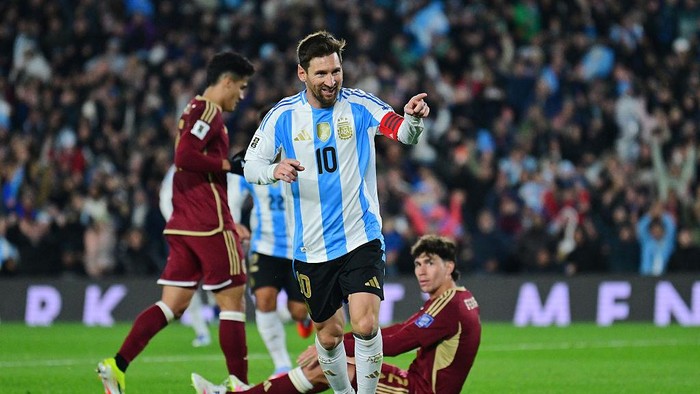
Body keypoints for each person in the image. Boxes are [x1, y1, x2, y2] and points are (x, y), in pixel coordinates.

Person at [243, 30, 430, 394]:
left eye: (336, 71)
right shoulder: (283, 116)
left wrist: (414, 120)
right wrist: (273, 171)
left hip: (360, 235)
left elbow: (401, 132)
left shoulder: (359, 105)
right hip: (312, 248)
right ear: (303, 74)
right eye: (322, 74)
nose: (331, 81)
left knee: (364, 324)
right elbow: (252, 163)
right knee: (328, 338)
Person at [97, 50, 255, 394]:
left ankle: (116, 366)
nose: (241, 96)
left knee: (173, 304)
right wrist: (229, 166)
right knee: (233, 301)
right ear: (226, 81)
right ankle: (239, 385)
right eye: (240, 88)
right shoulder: (210, 111)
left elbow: (186, 154)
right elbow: (184, 155)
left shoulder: (192, 108)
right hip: (209, 221)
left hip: (183, 222)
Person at [191, 234, 482, 394]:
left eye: (430, 263)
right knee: (336, 363)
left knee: (326, 367)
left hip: (418, 392)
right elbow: (401, 332)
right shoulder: (460, 299)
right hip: (414, 382)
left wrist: (330, 345)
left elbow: (394, 343)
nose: (421, 271)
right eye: (418, 264)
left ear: (449, 265)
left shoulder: (449, 304)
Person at [229, 171, 314, 377]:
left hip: (300, 249)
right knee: (264, 299)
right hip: (265, 248)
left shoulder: (300, 159)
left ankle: (303, 319)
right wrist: (235, 223)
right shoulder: (253, 165)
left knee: (299, 311)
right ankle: (282, 365)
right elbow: (233, 196)